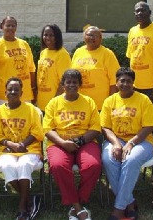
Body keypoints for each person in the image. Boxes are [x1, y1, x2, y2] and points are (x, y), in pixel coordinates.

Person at [43, 69, 102, 220]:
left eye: (75, 82)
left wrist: (78, 141)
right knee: (57, 165)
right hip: (59, 142)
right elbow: (48, 129)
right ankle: (77, 206)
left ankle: (79, 199)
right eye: (68, 82)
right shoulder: (53, 103)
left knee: (93, 165)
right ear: (62, 84)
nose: (71, 85)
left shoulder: (89, 102)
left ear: (80, 84)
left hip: (85, 141)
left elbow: (95, 128)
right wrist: (63, 143)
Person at [100, 67, 153, 220]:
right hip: (116, 139)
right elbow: (105, 127)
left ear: (133, 83)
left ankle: (118, 209)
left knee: (130, 160)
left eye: (128, 81)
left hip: (142, 141)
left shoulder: (143, 100)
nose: (125, 84)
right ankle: (129, 203)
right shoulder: (109, 101)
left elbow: (148, 127)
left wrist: (131, 143)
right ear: (116, 82)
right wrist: (116, 143)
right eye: (121, 81)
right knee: (108, 159)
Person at [0, 77, 44, 220]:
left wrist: (22, 145)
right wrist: (11, 145)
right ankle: (28, 198)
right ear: (5, 92)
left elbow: (37, 132)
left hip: (29, 148)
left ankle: (22, 206)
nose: (13, 92)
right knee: (8, 165)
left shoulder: (31, 110)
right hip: (7, 149)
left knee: (24, 164)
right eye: (10, 89)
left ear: (22, 92)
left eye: (16, 89)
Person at [0, 16, 37, 107]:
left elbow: (31, 70)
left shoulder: (24, 44)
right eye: (8, 25)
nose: (11, 28)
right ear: (1, 26)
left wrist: (33, 90)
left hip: (25, 94)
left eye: (13, 26)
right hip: (4, 95)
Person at [71, 25, 120, 110]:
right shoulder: (78, 52)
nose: (91, 38)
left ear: (100, 38)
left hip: (100, 105)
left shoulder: (107, 54)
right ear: (84, 37)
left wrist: (111, 103)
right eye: (88, 35)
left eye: (95, 36)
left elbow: (114, 81)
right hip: (80, 104)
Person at [36, 24, 71, 111]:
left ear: (57, 37)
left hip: (55, 102)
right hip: (41, 101)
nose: (48, 37)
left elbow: (64, 80)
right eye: (45, 35)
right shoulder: (43, 52)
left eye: (51, 35)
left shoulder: (62, 54)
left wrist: (56, 99)